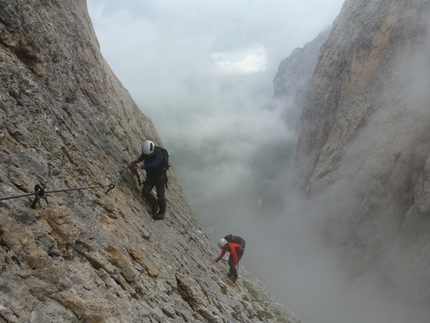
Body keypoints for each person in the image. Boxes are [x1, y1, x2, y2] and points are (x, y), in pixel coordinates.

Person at [132, 140, 166, 220]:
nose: (149, 155)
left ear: (154, 149)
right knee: (145, 192)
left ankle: (162, 213)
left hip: (160, 177)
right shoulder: (147, 152)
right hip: (151, 176)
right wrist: (137, 161)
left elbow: (154, 164)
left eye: (150, 154)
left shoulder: (159, 154)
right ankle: (154, 203)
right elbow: (143, 156)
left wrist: (141, 166)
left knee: (160, 195)